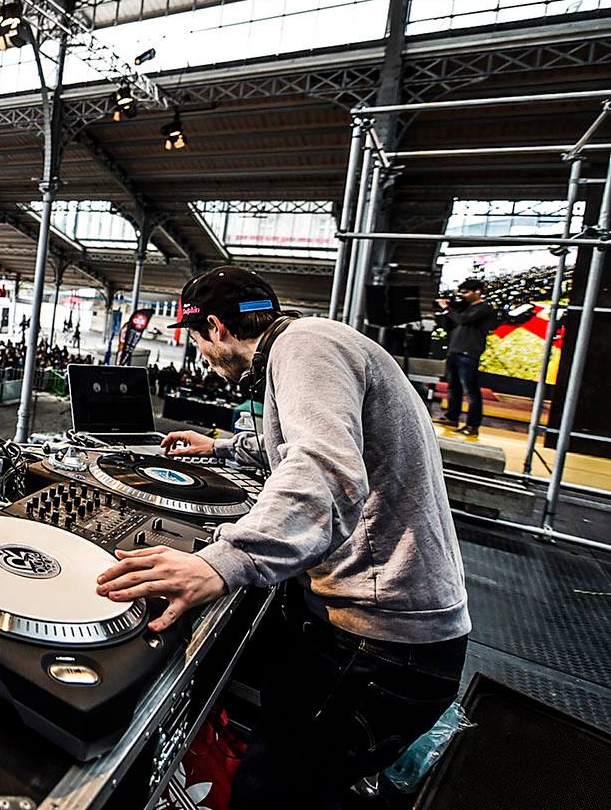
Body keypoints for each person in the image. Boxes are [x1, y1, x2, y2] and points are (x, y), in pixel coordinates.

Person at [95, 266, 469, 810]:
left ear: (217, 328)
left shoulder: (305, 349)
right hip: (388, 628)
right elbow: (301, 441)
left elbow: (324, 468)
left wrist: (221, 562)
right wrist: (219, 449)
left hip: (382, 640)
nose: (201, 356)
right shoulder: (312, 342)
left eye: (197, 341)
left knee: (272, 791)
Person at [435, 277, 495, 438]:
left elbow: (464, 320)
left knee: (471, 390)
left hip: (469, 353)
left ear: (478, 292)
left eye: (466, 292)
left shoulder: (484, 309)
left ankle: (472, 425)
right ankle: (452, 417)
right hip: (455, 351)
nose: (463, 295)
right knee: (453, 387)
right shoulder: (464, 308)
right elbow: (452, 325)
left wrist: (448, 309)